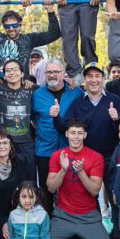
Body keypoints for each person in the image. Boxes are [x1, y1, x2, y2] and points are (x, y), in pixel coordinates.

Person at [55, 62, 120, 239]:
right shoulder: (79, 103)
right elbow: (66, 127)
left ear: (103, 78)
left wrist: (117, 118)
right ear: (84, 79)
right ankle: (91, 235)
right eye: (90, 76)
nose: (94, 80)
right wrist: (55, 117)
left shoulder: (115, 100)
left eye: (97, 76)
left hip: (111, 156)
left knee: (115, 198)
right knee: (89, 198)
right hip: (87, 158)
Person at [46, 119, 113, 239]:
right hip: (63, 215)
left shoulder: (96, 157)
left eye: (79, 133)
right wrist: (63, 170)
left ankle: (80, 237)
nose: (76, 137)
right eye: (72, 133)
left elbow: (95, 190)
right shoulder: (57, 156)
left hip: (88, 216)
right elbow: (51, 188)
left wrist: (81, 172)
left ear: (85, 135)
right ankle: (72, 236)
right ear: (66, 134)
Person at [0, 2, 60, 82]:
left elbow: (53, 34)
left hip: (21, 88)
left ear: (20, 25)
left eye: (14, 25)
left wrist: (50, 11)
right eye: (7, 26)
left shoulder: (29, 39)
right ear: (4, 27)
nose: (11, 29)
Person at [32, 58, 83, 202]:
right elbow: (32, 118)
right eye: (49, 72)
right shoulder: (37, 94)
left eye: (56, 71)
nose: (52, 75)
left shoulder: (76, 92)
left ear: (63, 73)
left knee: (70, 189)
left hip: (70, 149)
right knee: (45, 190)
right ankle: (48, 215)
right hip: (44, 150)